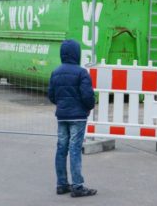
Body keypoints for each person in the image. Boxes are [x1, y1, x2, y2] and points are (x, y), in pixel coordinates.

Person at [48, 39, 97, 198]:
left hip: (62, 116)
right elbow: (88, 95)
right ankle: (77, 185)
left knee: (61, 148)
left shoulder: (55, 72)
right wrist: (88, 107)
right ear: (77, 53)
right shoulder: (82, 73)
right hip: (78, 116)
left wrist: (61, 104)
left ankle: (61, 183)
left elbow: (52, 96)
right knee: (75, 149)